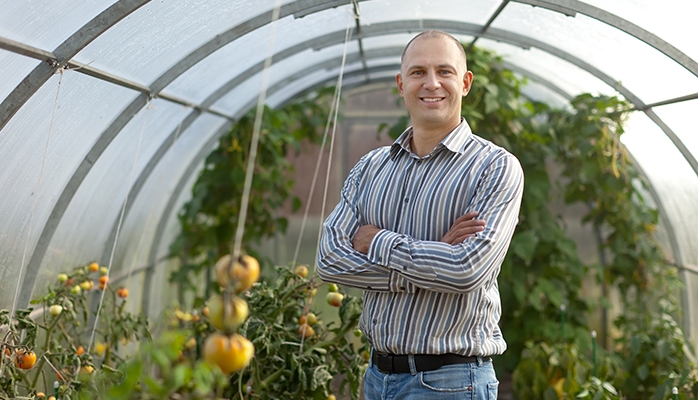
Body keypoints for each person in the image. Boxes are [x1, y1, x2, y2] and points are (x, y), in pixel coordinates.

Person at [316, 30, 524, 399]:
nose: (431, 83)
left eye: (444, 71)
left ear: (466, 82)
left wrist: (377, 241)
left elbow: (465, 270)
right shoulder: (371, 167)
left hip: (451, 382)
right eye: (418, 72)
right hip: (376, 378)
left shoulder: (494, 167)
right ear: (401, 84)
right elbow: (329, 259)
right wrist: (433, 254)